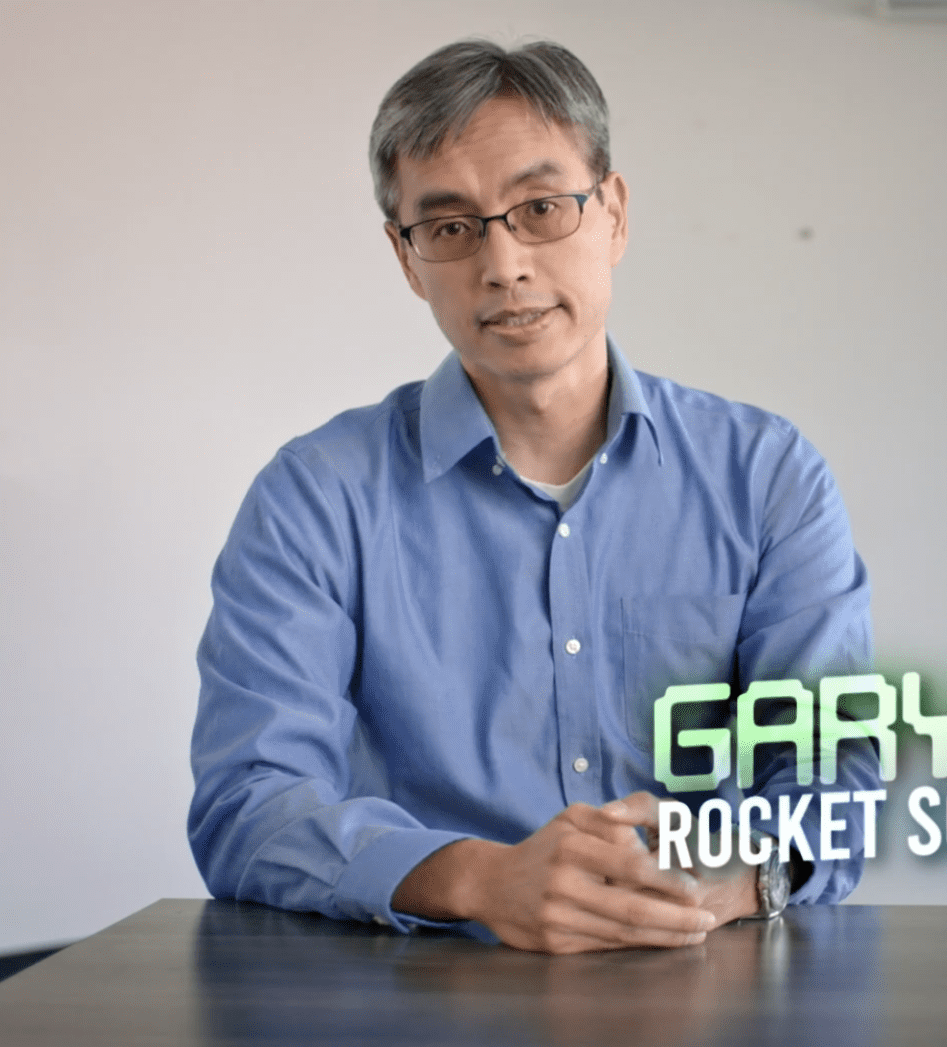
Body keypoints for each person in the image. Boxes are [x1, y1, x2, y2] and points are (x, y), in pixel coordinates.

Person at [189, 39, 878, 954]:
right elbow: (251, 801)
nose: (503, 263)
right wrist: (479, 878)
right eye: (450, 227)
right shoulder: (314, 497)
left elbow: (836, 773)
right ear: (407, 259)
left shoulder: (768, 476)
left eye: (542, 208)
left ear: (615, 214)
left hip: (706, 981)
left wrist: (724, 876)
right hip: (419, 996)